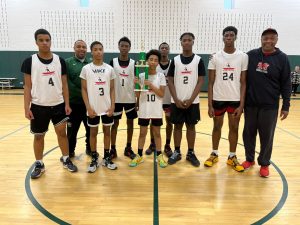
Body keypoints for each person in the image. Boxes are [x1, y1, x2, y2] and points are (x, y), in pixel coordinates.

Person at [22, 29, 78, 179]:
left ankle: (66, 159)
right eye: (41, 40)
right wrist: (26, 107)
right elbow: (27, 86)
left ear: (51, 41)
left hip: (58, 105)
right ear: (36, 42)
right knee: (39, 136)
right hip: (38, 106)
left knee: (62, 133)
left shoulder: (59, 61)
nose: (45, 43)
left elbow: (64, 84)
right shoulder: (29, 61)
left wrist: (67, 103)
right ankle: (39, 163)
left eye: (47, 40)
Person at [242, 28, 291, 177]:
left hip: (270, 106)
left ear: (276, 40)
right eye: (266, 38)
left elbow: (286, 83)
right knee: (248, 134)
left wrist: (286, 105)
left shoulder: (282, 58)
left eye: (272, 38)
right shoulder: (251, 55)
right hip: (250, 104)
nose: (268, 41)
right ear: (261, 39)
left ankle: (264, 163)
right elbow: (237, 64)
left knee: (267, 136)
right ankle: (249, 159)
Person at [204, 26, 248, 172]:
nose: (229, 37)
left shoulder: (243, 56)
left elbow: (243, 82)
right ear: (223, 38)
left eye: (231, 35)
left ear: (235, 37)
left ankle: (232, 156)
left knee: (234, 127)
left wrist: (242, 104)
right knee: (217, 127)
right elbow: (210, 82)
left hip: (235, 99)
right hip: (218, 98)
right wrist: (209, 104)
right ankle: (214, 153)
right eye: (226, 35)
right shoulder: (214, 57)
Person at [167, 32, 205, 167]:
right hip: (176, 101)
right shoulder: (175, 61)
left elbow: (201, 81)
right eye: (184, 40)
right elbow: (170, 80)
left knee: (191, 126)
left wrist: (190, 99)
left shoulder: (198, 60)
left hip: (192, 102)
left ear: (193, 42)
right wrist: (176, 99)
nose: (187, 42)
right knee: (177, 126)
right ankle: (177, 152)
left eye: (189, 40)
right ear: (181, 42)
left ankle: (190, 152)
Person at [80, 41, 117, 172]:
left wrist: (112, 106)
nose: (98, 52)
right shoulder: (86, 69)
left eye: (100, 49)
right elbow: (83, 89)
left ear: (103, 51)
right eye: (95, 49)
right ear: (91, 52)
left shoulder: (109, 69)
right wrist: (88, 107)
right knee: (93, 133)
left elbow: (112, 89)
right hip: (93, 109)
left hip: (106, 107)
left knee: (107, 132)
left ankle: (107, 157)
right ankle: (94, 158)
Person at [129, 49, 168, 168]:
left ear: (158, 63)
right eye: (151, 59)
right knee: (142, 132)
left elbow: (161, 94)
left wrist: (150, 85)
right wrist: (135, 84)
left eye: (155, 60)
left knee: (157, 133)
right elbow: (138, 95)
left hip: (155, 109)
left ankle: (159, 155)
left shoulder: (160, 76)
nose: (153, 62)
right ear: (146, 61)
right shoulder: (141, 75)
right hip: (144, 109)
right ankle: (139, 155)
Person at [109, 37, 137, 160]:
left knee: (130, 123)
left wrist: (137, 99)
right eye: (122, 45)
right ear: (119, 46)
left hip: (130, 99)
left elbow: (137, 82)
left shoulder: (134, 63)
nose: (124, 48)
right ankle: (113, 149)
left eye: (126, 46)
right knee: (114, 124)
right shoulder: (112, 62)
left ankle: (128, 148)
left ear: (129, 48)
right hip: (116, 99)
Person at [145, 42, 173, 158]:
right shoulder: (154, 65)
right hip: (155, 100)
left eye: (166, 48)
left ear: (169, 50)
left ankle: (167, 144)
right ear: (159, 50)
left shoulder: (173, 64)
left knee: (169, 122)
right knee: (153, 123)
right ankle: (152, 143)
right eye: (162, 48)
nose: (164, 50)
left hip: (168, 99)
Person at [66, 40, 91, 158]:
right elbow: (64, 83)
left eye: (84, 47)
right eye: (79, 47)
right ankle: (70, 151)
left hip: (89, 105)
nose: (81, 49)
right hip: (73, 104)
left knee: (90, 129)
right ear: (74, 48)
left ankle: (90, 149)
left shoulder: (91, 63)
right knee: (72, 130)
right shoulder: (67, 63)